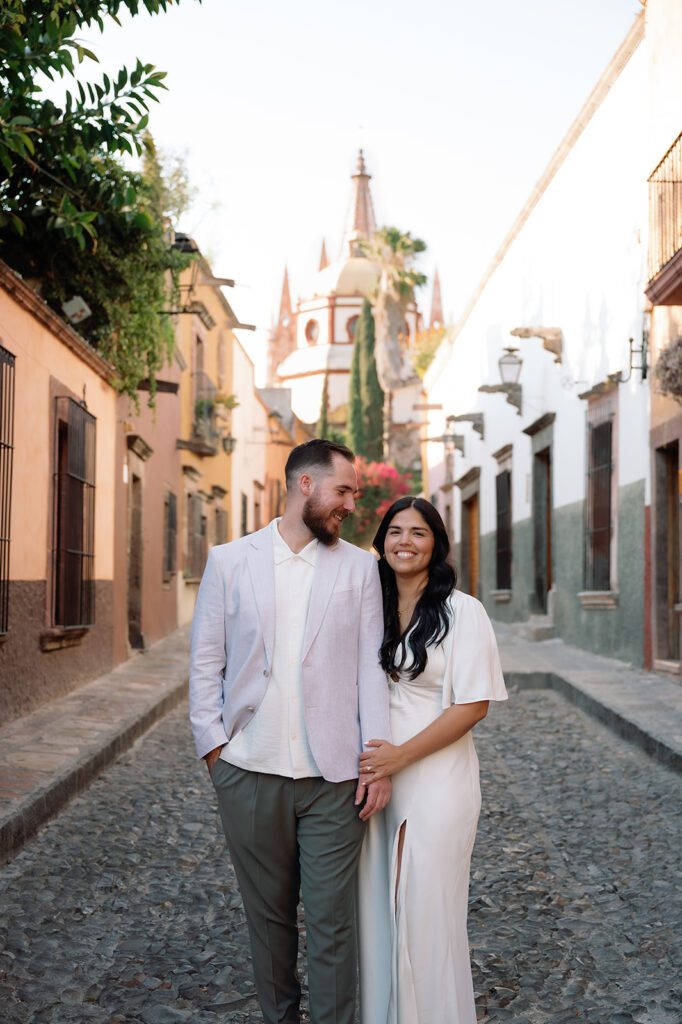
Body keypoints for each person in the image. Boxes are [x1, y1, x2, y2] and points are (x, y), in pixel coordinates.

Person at [189, 438, 391, 1024]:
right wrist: (216, 753)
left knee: (332, 921)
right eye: (343, 490)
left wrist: (373, 763)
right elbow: (206, 662)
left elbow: (369, 672)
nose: (351, 503)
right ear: (305, 484)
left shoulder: (359, 568)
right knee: (270, 921)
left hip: (334, 781)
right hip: (248, 773)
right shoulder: (230, 561)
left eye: (353, 492)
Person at [357, 496, 508, 1024]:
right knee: (379, 904)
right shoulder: (367, 605)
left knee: (425, 906)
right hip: (374, 777)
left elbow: (474, 705)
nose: (405, 541)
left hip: (437, 774)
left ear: (436, 544)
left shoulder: (462, 611)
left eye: (418, 533)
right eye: (395, 531)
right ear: (381, 542)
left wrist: (400, 756)